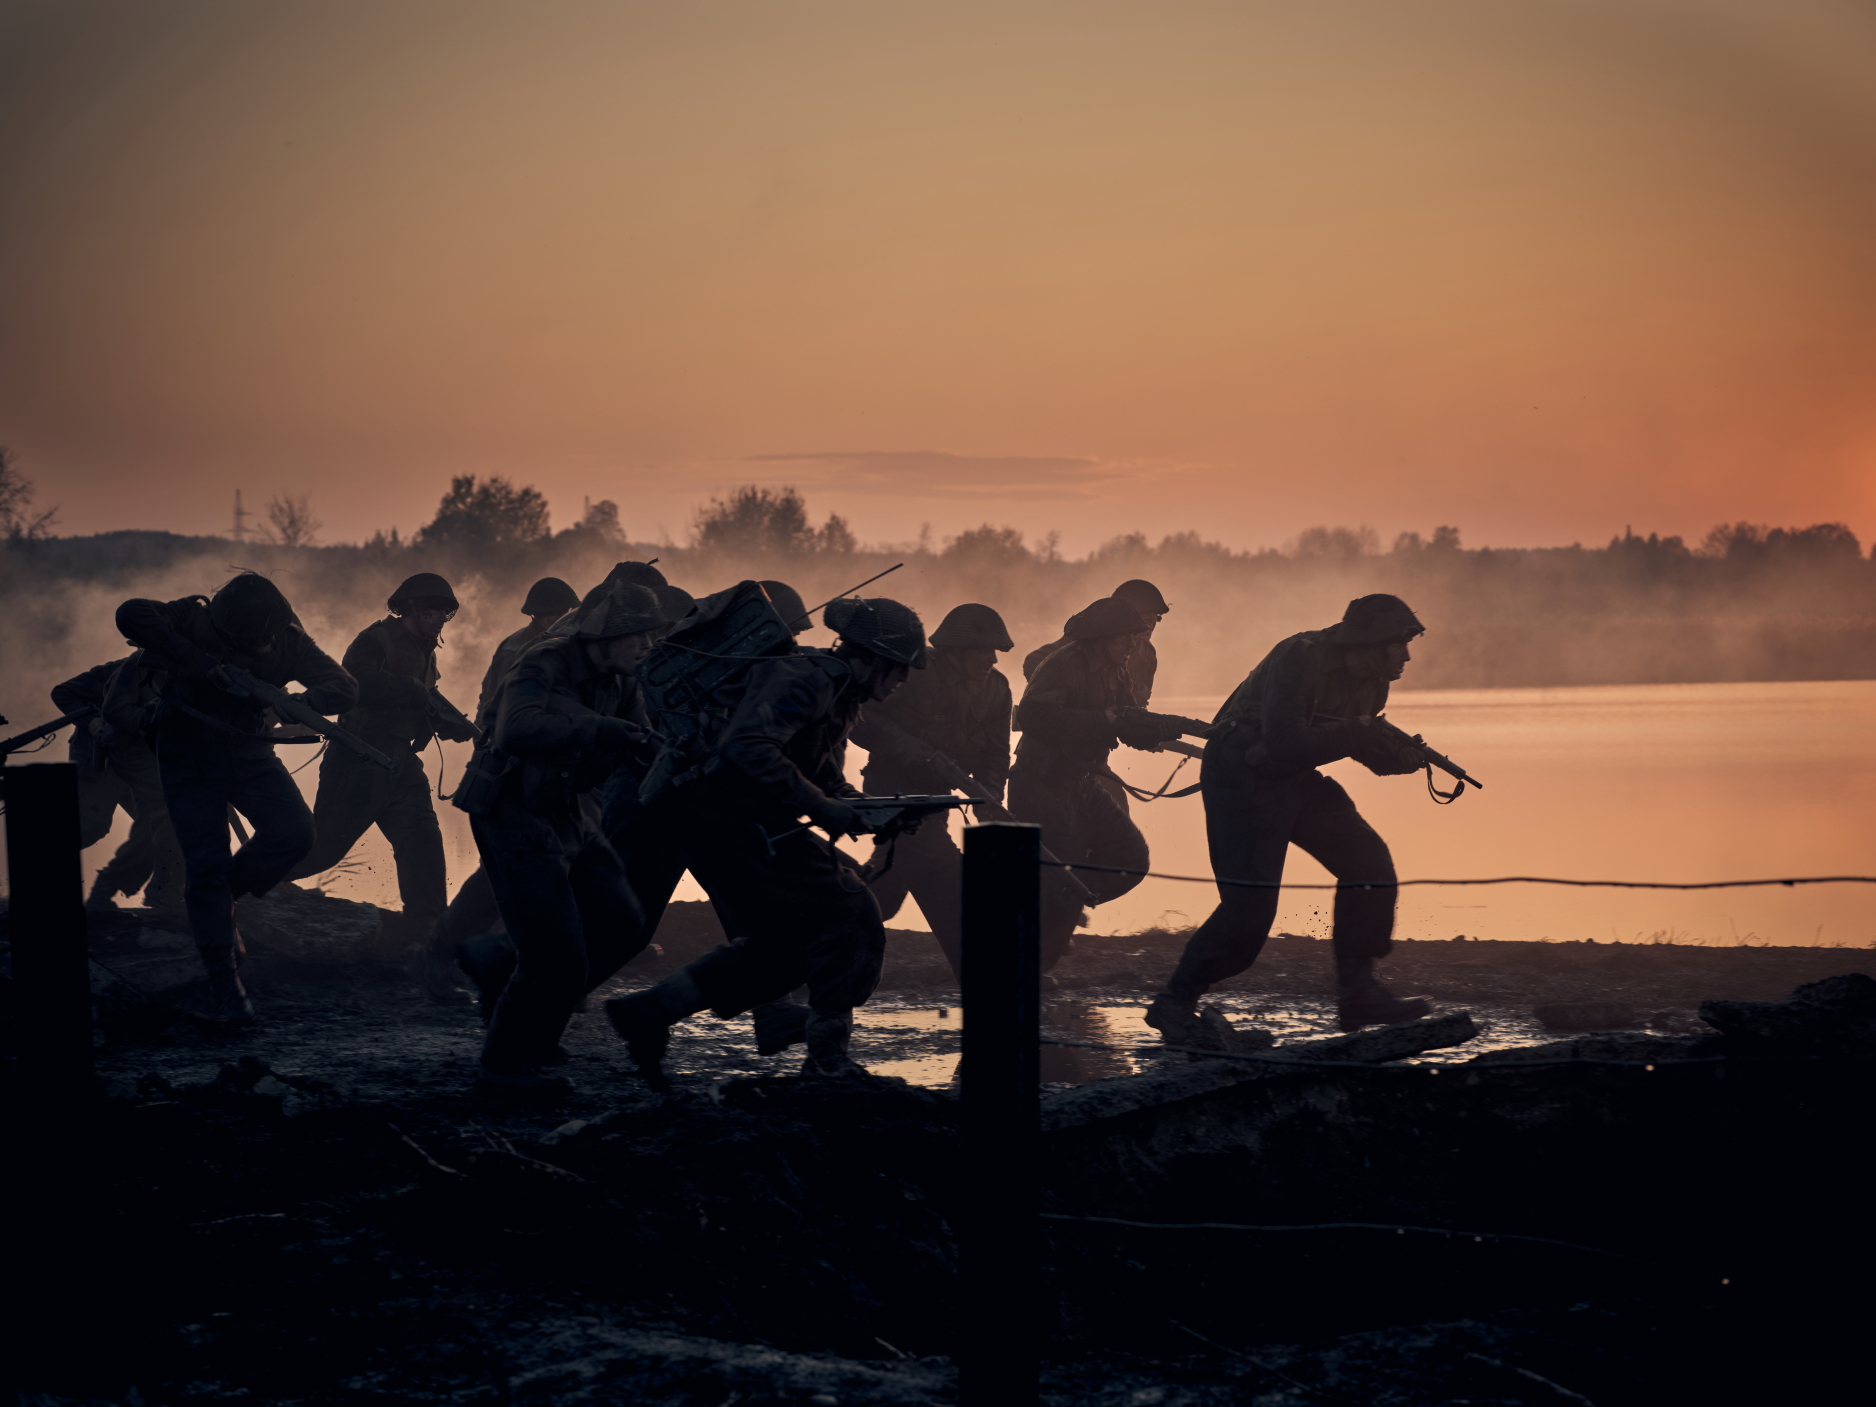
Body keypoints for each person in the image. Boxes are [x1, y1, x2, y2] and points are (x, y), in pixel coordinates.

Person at [604, 596, 925, 1086]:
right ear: (875, 658)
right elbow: (746, 746)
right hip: (725, 821)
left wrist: (871, 811)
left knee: (784, 946)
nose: (903, 681)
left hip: (735, 822)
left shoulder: (837, 691)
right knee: (850, 910)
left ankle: (650, 1011)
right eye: (899, 668)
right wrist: (824, 808)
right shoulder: (808, 678)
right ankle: (827, 1060)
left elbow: (817, 773)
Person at [1144, 594, 1435, 1038]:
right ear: (1369, 642)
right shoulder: (1299, 658)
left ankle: (1358, 994)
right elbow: (1285, 741)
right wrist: (1359, 731)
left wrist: (1398, 756)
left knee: (1368, 863)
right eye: (1398, 645)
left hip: (1294, 778)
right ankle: (1175, 1001)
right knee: (1249, 912)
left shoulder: (1374, 679)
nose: (1406, 655)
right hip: (1239, 776)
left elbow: (1348, 743)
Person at [453, 579, 668, 1100]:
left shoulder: (622, 679)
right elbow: (517, 729)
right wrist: (600, 730)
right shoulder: (544, 662)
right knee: (555, 953)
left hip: (567, 808)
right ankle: (502, 1067)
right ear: (608, 633)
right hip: (513, 812)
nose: (647, 645)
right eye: (638, 635)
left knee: (622, 922)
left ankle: (524, 1010)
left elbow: (636, 735)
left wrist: (659, 749)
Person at [116, 573, 358, 1025]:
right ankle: (224, 983)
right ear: (226, 629)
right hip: (186, 753)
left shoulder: (290, 642)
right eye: (252, 640)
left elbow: (344, 687)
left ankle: (219, 897)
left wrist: (302, 700)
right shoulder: (193, 617)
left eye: (267, 637)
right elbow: (131, 613)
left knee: (295, 832)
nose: (264, 647)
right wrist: (200, 662)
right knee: (205, 863)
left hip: (249, 751)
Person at [283, 573, 478, 941]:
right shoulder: (375, 640)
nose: (439, 618)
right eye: (432, 611)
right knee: (323, 847)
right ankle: (242, 885)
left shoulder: (426, 651)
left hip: (402, 764)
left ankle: (428, 934)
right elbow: (353, 684)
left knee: (423, 840)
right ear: (411, 609)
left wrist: (444, 722)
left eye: (444, 613)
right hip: (358, 761)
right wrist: (413, 691)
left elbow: (420, 700)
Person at [1008, 597, 1191, 975]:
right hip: (1042, 786)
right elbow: (1033, 715)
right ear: (1104, 637)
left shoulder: (1116, 669)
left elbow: (1127, 719)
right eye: (1127, 637)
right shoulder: (1062, 665)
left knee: (1130, 858)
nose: (1133, 645)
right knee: (1066, 881)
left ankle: (1049, 904)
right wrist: (1103, 721)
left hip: (1084, 784)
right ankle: (1031, 969)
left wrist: (1165, 727)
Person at [848, 602, 1014, 982]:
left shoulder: (997, 689)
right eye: (983, 650)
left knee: (883, 895)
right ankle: (983, 976)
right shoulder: (915, 672)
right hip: (893, 797)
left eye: (995, 651)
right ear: (955, 651)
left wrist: (988, 795)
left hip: (938, 800)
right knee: (946, 877)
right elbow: (860, 715)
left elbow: (996, 751)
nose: (991, 658)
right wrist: (913, 751)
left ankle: (814, 951)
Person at [52, 652, 184, 915]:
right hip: (100, 759)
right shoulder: (120, 670)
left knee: (161, 825)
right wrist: (91, 722)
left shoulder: (183, 676)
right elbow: (63, 692)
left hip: (142, 762)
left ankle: (161, 894)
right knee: (90, 827)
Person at [1022, 578, 1170, 705]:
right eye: (1145, 619)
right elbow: (1035, 661)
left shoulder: (1147, 655)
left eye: (1155, 619)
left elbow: (1137, 705)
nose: (1150, 625)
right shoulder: (1087, 641)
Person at [474, 576, 581, 722]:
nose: (560, 617)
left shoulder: (568, 642)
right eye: (552, 612)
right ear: (536, 614)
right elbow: (500, 701)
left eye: (565, 611)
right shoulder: (514, 651)